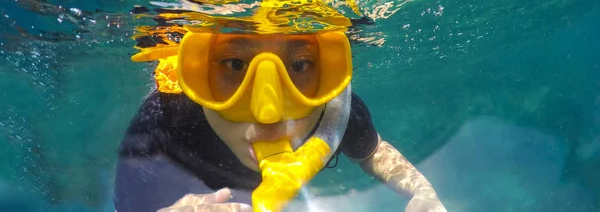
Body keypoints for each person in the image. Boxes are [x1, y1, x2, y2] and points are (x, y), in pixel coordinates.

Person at [114, 29, 447, 212]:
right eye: (234, 65)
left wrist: (423, 194)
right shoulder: (167, 115)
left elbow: (372, 152)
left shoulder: (332, 110)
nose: (268, 114)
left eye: (300, 65)